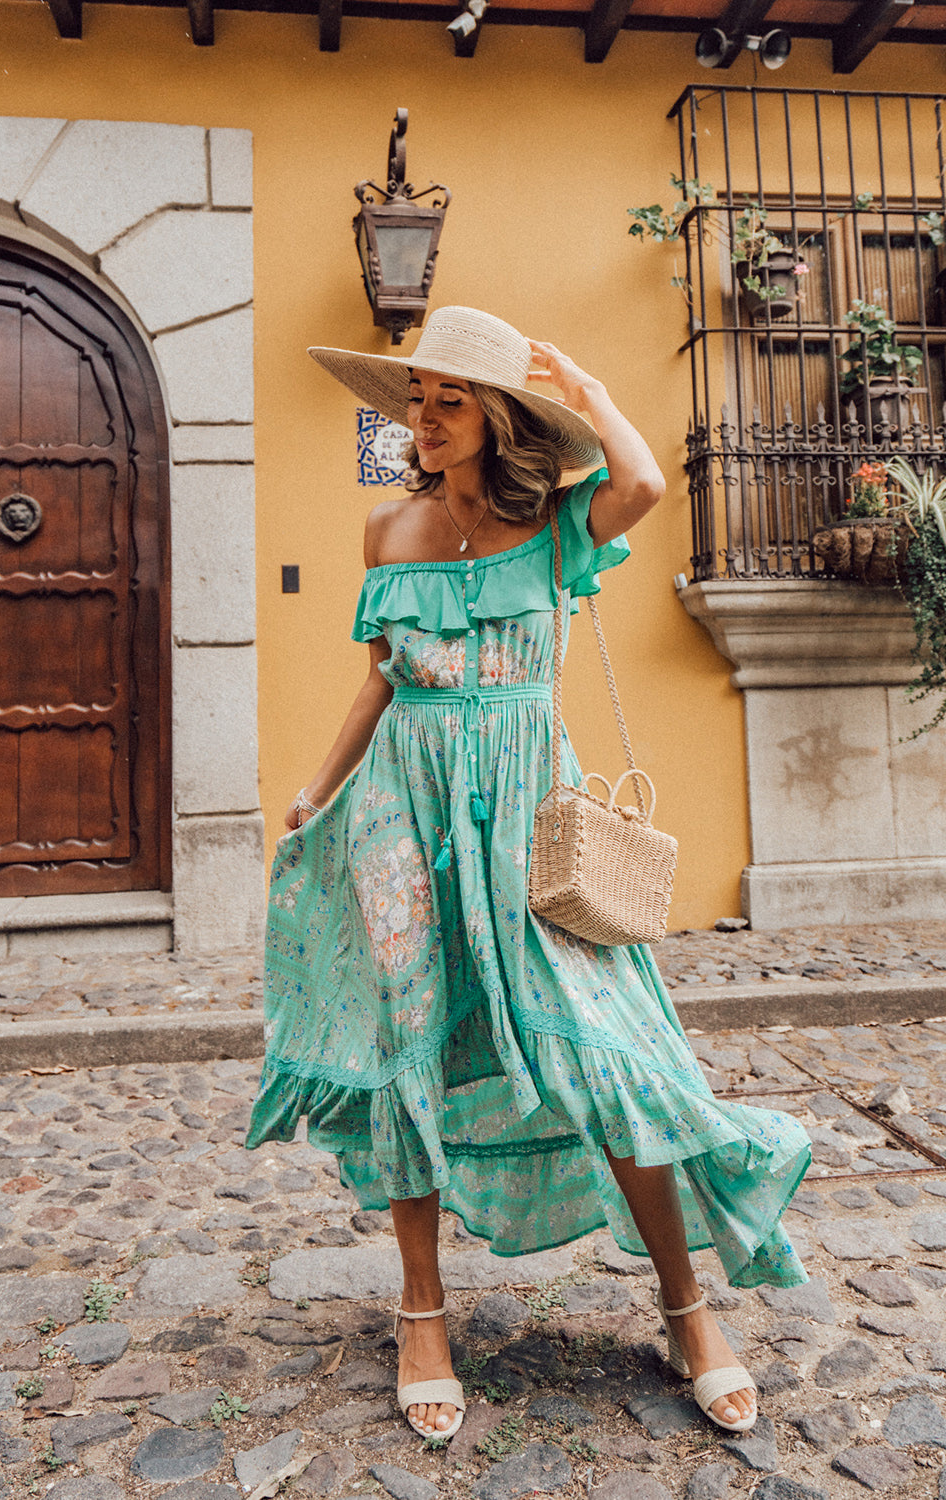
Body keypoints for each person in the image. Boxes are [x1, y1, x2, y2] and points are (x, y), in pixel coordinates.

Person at [247, 306, 811, 1445]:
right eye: (420, 399)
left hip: (527, 819)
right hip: (399, 811)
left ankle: (688, 1308)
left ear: (501, 419)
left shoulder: (558, 525)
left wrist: (588, 387)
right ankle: (421, 1313)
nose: (428, 417)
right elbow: (381, 681)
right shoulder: (385, 531)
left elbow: (645, 481)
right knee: (407, 1040)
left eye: (452, 399)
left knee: (606, 1053)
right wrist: (317, 789)